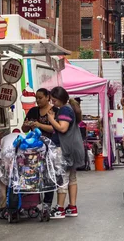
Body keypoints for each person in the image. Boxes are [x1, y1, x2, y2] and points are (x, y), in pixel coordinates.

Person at [47, 87, 85, 219]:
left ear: (60, 99)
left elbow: (62, 128)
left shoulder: (64, 110)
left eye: (54, 100)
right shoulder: (70, 108)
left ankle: (60, 208)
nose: (52, 103)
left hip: (64, 148)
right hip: (72, 148)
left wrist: (51, 118)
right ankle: (72, 207)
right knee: (72, 178)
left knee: (62, 178)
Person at [22, 89, 59, 209]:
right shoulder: (33, 111)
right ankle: (34, 202)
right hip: (34, 149)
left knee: (48, 175)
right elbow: (24, 129)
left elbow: (55, 128)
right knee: (34, 175)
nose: (37, 100)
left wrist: (39, 125)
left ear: (47, 97)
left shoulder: (54, 111)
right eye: (36, 98)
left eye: (40, 98)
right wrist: (27, 125)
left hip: (50, 147)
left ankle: (47, 203)